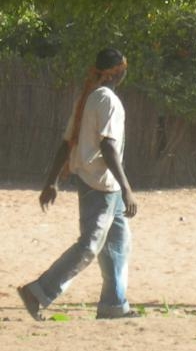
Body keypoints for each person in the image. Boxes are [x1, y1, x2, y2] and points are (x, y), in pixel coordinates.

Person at [17, 48, 138, 321]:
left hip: (102, 184)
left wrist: (51, 182)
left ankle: (114, 304)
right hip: (100, 185)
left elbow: (65, 143)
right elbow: (108, 148)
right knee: (89, 245)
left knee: (119, 242)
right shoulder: (107, 101)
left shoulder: (88, 99)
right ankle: (38, 292)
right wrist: (127, 188)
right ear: (119, 71)